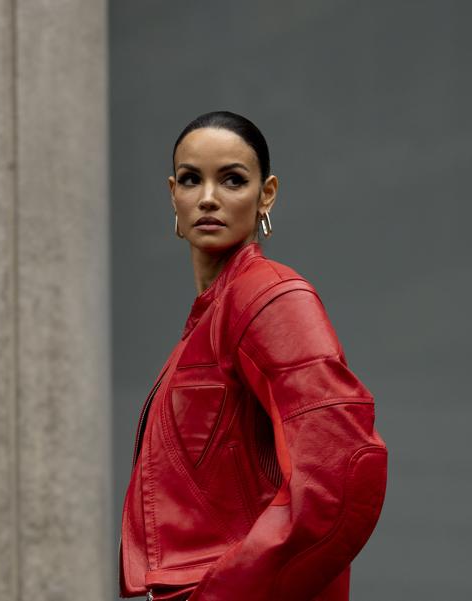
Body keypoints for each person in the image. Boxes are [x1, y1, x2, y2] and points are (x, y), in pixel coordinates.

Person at [119, 111, 388, 601]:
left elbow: (343, 471)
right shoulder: (211, 315)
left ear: (266, 194)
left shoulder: (268, 297)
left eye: (232, 180)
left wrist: (222, 594)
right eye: (190, 179)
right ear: (172, 195)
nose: (207, 198)